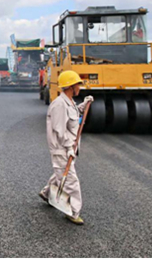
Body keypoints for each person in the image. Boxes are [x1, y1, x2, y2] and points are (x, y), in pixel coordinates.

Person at [39, 70, 93, 225]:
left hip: (68, 148)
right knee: (71, 181)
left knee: (62, 173)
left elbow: (74, 116)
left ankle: (46, 193)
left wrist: (84, 104)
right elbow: (59, 130)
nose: (80, 88)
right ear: (70, 86)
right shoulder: (59, 105)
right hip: (61, 148)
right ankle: (73, 212)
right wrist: (69, 148)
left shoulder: (69, 102)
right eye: (78, 85)